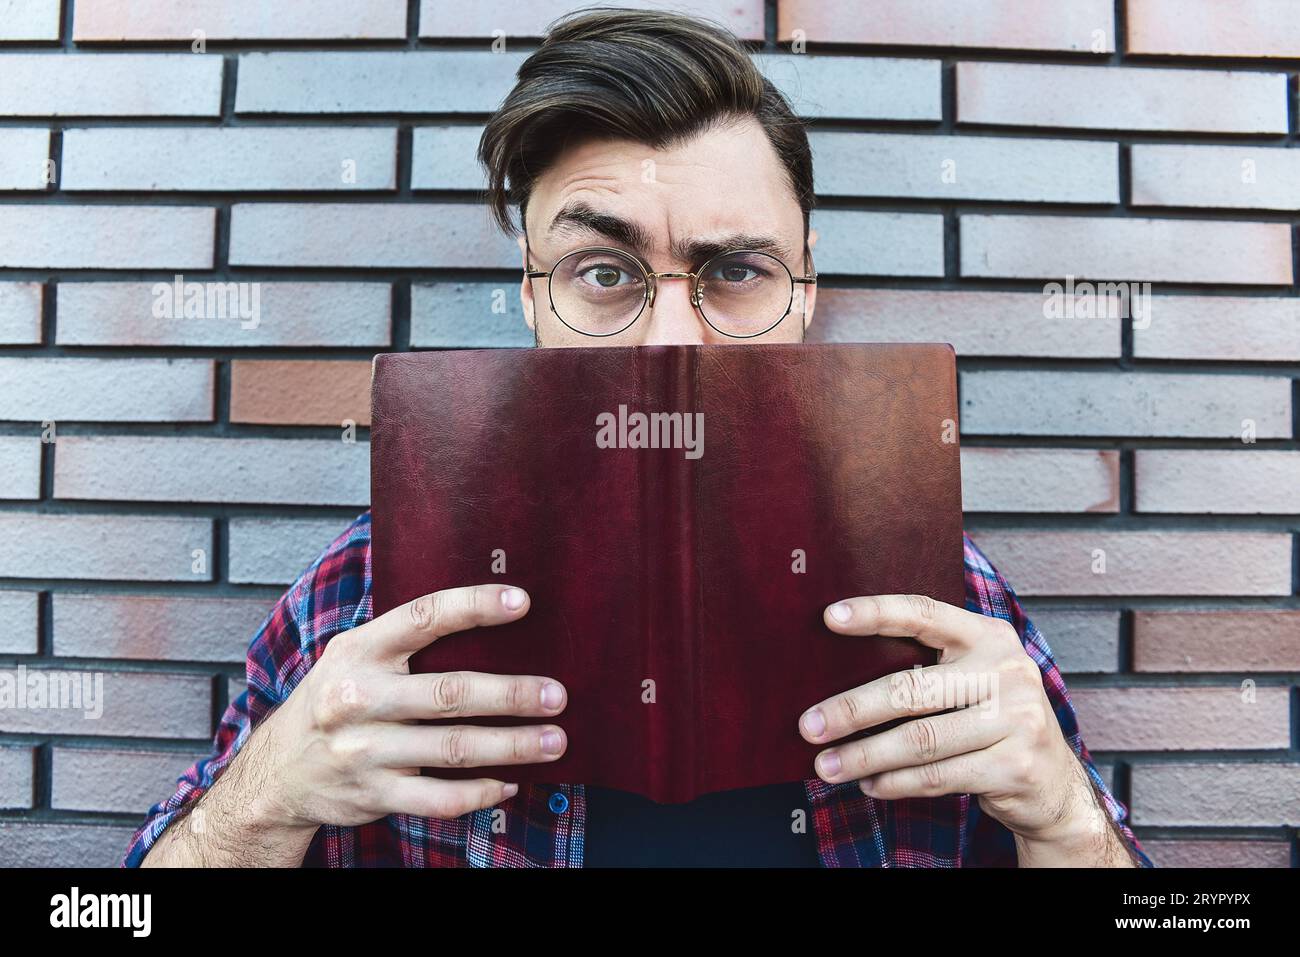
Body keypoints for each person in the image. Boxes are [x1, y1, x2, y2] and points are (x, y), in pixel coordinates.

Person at [126, 7, 1150, 868]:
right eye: (604, 275)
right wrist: (258, 807)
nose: (669, 341)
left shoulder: (946, 605)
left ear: (804, 295)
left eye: (735, 273)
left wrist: (1064, 823)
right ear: (530, 298)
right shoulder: (359, 597)